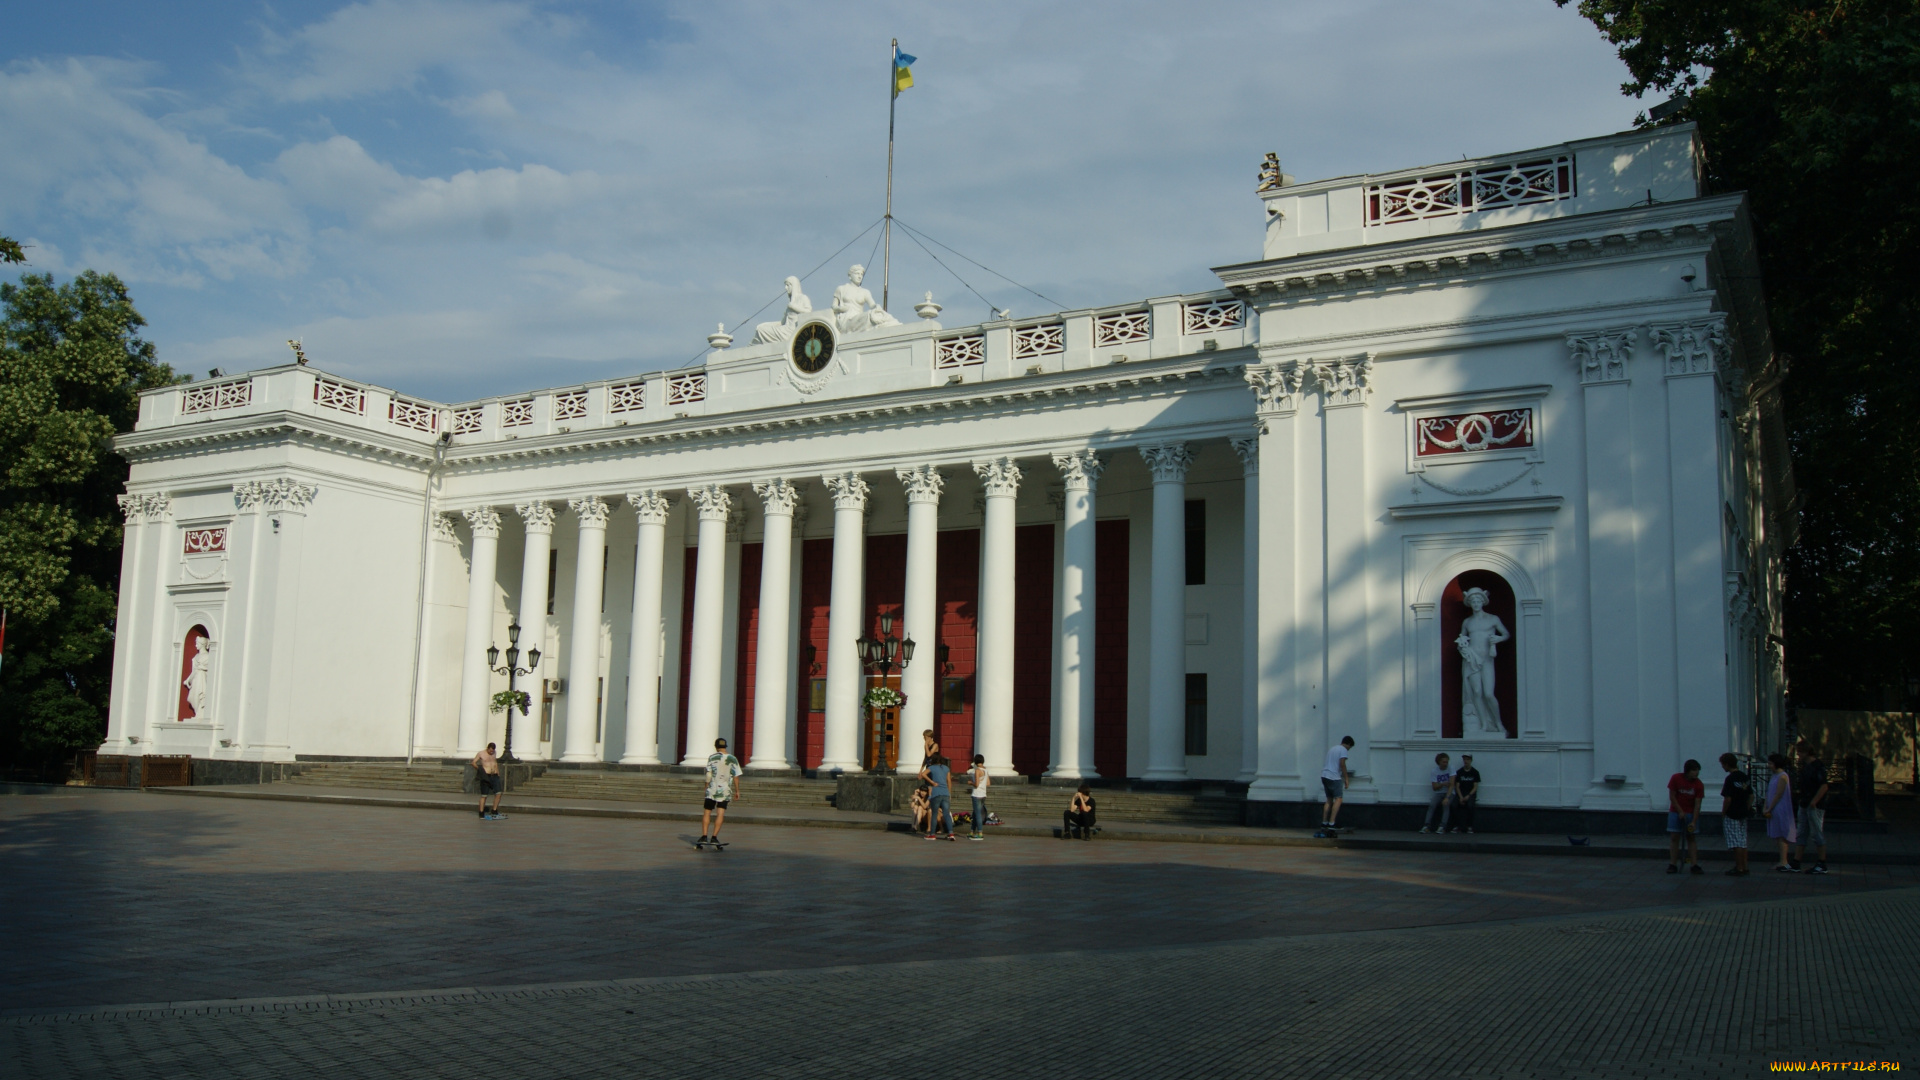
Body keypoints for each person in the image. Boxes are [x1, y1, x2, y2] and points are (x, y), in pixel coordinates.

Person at [1790, 742, 1830, 874]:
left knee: (1816, 833)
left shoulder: (1817, 766)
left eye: (1800, 752)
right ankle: (1796, 861)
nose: (1798, 755)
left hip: (1814, 805)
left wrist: (1814, 801)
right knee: (1801, 832)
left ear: (1807, 752)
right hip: (1805, 803)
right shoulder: (1806, 766)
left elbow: (1824, 786)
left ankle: (1822, 862)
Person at [1666, 758, 1706, 874]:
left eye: (1697, 770)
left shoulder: (1698, 785)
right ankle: (1673, 864)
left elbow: (1698, 805)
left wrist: (1694, 821)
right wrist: (1680, 811)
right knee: (1675, 837)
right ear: (1687, 771)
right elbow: (1672, 796)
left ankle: (1694, 864)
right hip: (1675, 812)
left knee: (1691, 837)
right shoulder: (1676, 778)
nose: (1696, 773)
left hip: (1690, 813)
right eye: (1694, 770)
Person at [700, 737, 742, 846]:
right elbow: (736, 776)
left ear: (716, 747)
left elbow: (708, 774)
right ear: (725, 746)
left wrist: (706, 787)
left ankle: (704, 836)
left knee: (707, 812)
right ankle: (714, 837)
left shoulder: (712, 757)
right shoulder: (732, 758)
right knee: (720, 813)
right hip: (725, 790)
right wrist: (737, 791)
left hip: (712, 789)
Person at [1718, 752, 1752, 876]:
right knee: (1743, 841)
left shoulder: (1730, 779)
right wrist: (1746, 808)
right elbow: (1751, 796)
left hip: (1732, 813)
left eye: (1723, 764)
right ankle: (1745, 866)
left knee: (1735, 842)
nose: (1722, 767)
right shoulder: (1744, 777)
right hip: (1743, 812)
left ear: (1727, 764)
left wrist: (1723, 812)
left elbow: (1728, 798)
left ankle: (1739, 867)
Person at [1762, 752, 1797, 872]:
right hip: (1773, 808)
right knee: (1777, 835)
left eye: (1771, 763)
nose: (1769, 766)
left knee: (1781, 834)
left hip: (1780, 808)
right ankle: (1782, 860)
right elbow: (1769, 793)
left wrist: (1769, 808)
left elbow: (1778, 794)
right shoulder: (1775, 776)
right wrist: (1765, 806)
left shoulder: (1783, 776)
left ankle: (1784, 860)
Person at [1320, 735, 1354, 830]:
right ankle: (1332, 823)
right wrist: (1346, 778)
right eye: (1350, 747)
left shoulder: (1332, 748)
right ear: (1348, 744)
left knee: (1329, 799)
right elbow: (1342, 764)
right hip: (1334, 777)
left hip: (1324, 775)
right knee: (1338, 799)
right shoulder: (1343, 749)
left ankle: (1324, 822)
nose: (1349, 749)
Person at [919, 752, 955, 840]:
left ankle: (932, 834)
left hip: (936, 793)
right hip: (945, 793)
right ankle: (951, 833)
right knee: (946, 813)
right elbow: (949, 781)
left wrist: (932, 782)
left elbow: (923, 774)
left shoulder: (932, 767)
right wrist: (949, 793)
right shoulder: (946, 768)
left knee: (934, 814)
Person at [1419, 752, 1453, 834]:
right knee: (1432, 805)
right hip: (1439, 792)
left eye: (1447, 762)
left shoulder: (1451, 768)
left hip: (1449, 792)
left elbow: (1452, 785)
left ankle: (1442, 826)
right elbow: (1434, 787)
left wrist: (1447, 797)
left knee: (1446, 805)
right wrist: (1442, 784)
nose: (1445, 764)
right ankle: (1426, 826)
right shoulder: (1434, 771)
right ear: (1439, 762)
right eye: (1444, 762)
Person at [470, 742, 505, 820]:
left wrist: (497, 772)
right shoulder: (481, 753)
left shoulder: (494, 753)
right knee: (484, 795)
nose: (491, 752)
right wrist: (480, 770)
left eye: (493, 751)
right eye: (490, 751)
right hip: (486, 776)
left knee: (498, 793)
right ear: (487, 748)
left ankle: (494, 810)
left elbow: (495, 762)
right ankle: (481, 812)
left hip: (494, 775)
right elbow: (473, 762)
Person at [1448, 754, 1481, 833]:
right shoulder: (1459, 772)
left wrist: (1468, 796)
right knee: (1453, 805)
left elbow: (1475, 787)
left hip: (1470, 793)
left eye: (1467, 759)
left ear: (1471, 760)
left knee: (1470, 806)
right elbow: (1457, 786)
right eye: (1464, 759)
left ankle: (1469, 826)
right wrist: (1460, 797)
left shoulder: (1475, 772)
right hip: (1461, 793)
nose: (1466, 761)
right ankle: (1456, 826)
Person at [962, 754, 990, 841]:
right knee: (975, 813)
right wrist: (981, 783)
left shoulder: (977, 770)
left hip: (977, 794)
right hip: (983, 794)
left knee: (977, 814)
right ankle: (972, 831)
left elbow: (976, 784)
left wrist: (971, 783)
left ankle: (980, 833)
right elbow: (988, 783)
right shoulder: (985, 770)